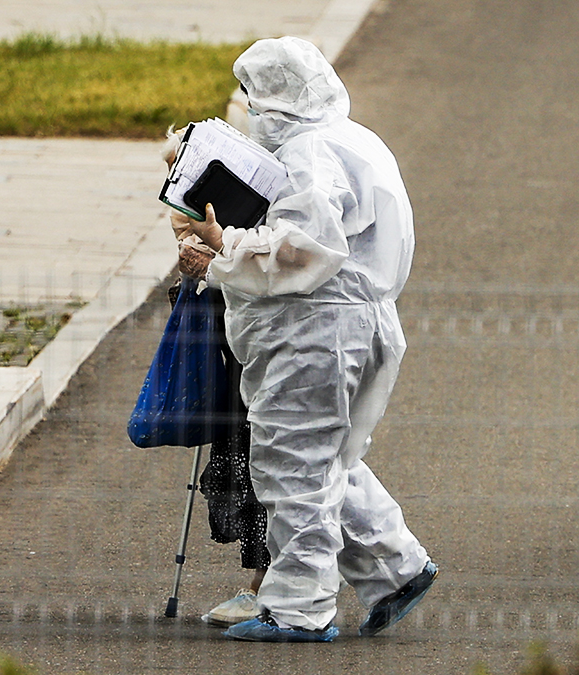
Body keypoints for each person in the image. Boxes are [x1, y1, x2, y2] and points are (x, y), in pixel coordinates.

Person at [172, 36, 437, 642]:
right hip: (350, 324)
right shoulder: (353, 141)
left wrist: (222, 247)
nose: (245, 110)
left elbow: (302, 251)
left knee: (294, 465)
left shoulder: (310, 153)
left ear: (275, 99)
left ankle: (299, 609)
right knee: (329, 459)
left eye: (250, 98)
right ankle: (396, 567)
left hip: (315, 330)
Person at [161, 137, 270, 628]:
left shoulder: (244, 224)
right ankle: (266, 583)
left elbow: (250, 283)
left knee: (266, 469)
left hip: (263, 367)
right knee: (256, 466)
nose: (170, 208)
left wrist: (209, 267)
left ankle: (268, 587)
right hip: (242, 370)